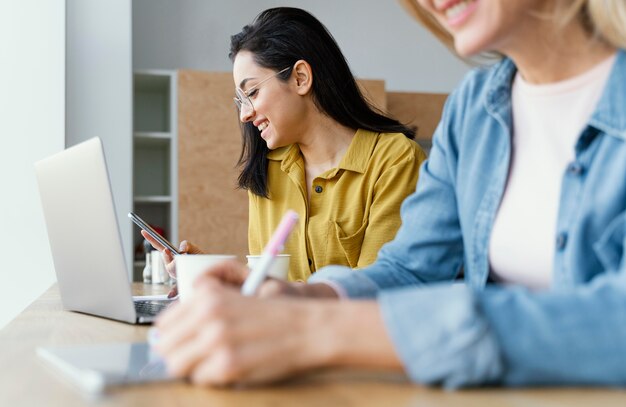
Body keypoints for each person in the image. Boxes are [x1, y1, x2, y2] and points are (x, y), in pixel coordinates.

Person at [152, 0, 626, 388]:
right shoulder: (473, 109)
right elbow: (410, 269)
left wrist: (314, 330)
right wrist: (307, 299)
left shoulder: (394, 156)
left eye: (252, 94)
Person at [143, 7, 427, 283]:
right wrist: (213, 276)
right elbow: (266, 288)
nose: (244, 114)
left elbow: (377, 290)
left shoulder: (394, 160)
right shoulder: (267, 171)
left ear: (300, 77)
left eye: (252, 92)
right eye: (240, 101)